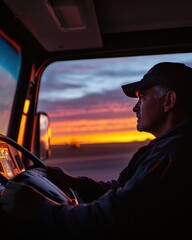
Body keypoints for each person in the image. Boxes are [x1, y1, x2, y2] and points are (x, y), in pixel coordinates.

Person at [1, 61, 192, 240]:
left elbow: (115, 219)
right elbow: (125, 192)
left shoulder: (173, 156)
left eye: (142, 97)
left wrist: (39, 209)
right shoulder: (165, 148)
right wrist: (77, 184)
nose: (135, 107)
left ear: (169, 101)